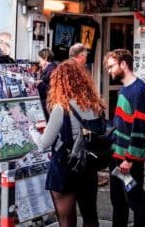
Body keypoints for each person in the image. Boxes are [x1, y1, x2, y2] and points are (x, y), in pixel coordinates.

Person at [39, 61, 106, 227]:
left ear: (60, 82)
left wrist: (36, 132)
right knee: (90, 216)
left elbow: (44, 144)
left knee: (66, 221)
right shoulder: (95, 106)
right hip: (88, 167)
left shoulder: (61, 108)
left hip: (64, 168)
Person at [105, 49, 145, 227]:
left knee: (136, 201)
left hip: (128, 160)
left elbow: (140, 127)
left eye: (111, 67)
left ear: (123, 64)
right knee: (118, 202)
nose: (109, 71)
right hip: (117, 156)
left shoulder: (140, 90)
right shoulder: (126, 89)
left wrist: (130, 159)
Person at [37, 48, 57, 119]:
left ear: (45, 58)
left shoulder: (52, 69)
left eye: (40, 59)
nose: (39, 61)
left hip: (48, 102)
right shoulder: (51, 68)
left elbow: (52, 88)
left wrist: (39, 84)